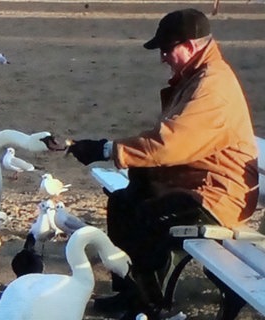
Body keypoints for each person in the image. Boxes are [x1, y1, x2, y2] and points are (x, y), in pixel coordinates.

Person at [64, 8, 259, 319]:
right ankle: (134, 293)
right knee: (123, 204)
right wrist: (119, 156)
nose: (163, 57)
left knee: (147, 219)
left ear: (192, 46)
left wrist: (106, 150)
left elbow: (170, 143)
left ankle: (150, 305)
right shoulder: (197, 76)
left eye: (168, 49)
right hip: (198, 183)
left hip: (218, 195)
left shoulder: (212, 88)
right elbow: (171, 144)